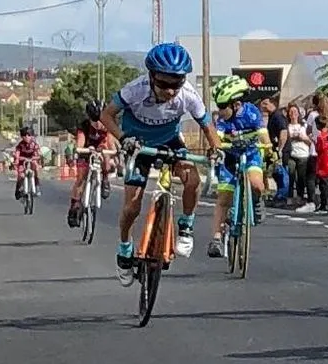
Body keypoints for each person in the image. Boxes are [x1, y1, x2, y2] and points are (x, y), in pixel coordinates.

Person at [100, 42, 223, 286]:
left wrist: (216, 149)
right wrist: (123, 139)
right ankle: (125, 248)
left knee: (193, 179)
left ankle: (186, 225)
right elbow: (106, 115)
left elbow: (207, 125)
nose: (170, 91)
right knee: (132, 207)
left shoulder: (188, 94)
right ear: (152, 76)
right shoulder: (135, 89)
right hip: (138, 144)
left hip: (170, 141)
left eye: (176, 83)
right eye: (164, 83)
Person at [207, 74, 271, 258]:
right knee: (224, 198)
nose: (220, 110)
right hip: (229, 157)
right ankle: (217, 239)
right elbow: (216, 137)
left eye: (223, 106)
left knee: (256, 184)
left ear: (236, 104)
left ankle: (257, 202)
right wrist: (215, 149)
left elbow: (263, 134)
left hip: (250, 155)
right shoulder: (222, 119)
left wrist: (269, 149)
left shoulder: (251, 112)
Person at [67, 100, 115, 228]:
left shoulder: (108, 126)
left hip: (100, 150)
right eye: (95, 121)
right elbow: (80, 144)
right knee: (81, 177)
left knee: (106, 154)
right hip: (86, 151)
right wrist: (81, 150)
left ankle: (105, 178)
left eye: (101, 120)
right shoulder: (84, 126)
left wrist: (114, 153)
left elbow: (110, 143)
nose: (99, 124)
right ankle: (75, 205)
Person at [13, 127, 41, 199]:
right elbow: (17, 153)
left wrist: (36, 158)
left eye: (29, 135)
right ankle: (18, 189)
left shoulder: (34, 145)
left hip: (32, 159)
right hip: (22, 160)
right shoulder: (20, 145)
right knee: (21, 175)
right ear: (22, 137)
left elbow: (38, 154)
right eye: (24, 136)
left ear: (32, 136)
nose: (27, 137)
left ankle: (37, 186)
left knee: (35, 167)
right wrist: (16, 159)